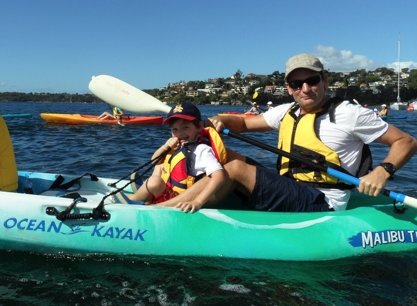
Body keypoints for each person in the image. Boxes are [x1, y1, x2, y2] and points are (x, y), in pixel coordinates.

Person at [159, 53, 417, 212]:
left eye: (312, 81)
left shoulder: (349, 113)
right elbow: (245, 124)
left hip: (323, 201)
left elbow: (406, 141)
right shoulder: (287, 112)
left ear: (324, 80)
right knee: (226, 158)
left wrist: (383, 171)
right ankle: (174, 195)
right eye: (296, 83)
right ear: (289, 87)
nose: (305, 88)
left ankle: (160, 212)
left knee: (236, 169)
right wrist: (219, 118)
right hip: (292, 189)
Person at [122, 102, 226, 212]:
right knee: (160, 163)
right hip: (167, 190)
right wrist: (165, 146)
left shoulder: (202, 150)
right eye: (174, 129)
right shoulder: (179, 145)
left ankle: (134, 199)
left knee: (154, 181)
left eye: (185, 127)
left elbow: (220, 176)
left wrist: (198, 201)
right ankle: (146, 193)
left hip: (177, 200)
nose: (179, 133)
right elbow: (154, 161)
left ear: (200, 127)